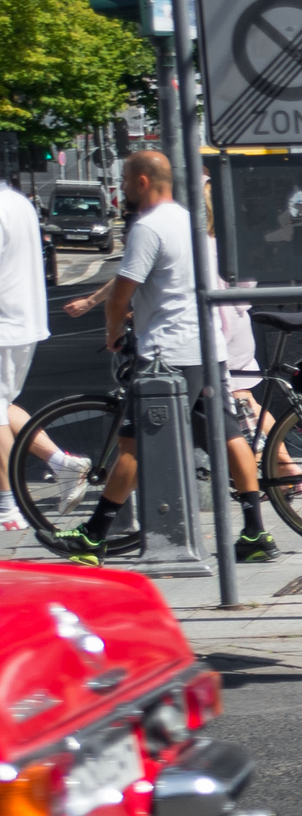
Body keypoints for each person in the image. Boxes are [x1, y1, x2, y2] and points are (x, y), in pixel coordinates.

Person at [53, 152, 271, 565]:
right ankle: (256, 531)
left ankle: (93, 537)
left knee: (134, 443)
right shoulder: (192, 223)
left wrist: (113, 331)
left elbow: (122, 292)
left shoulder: (148, 227)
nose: (122, 188)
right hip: (208, 349)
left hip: (166, 355)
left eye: (124, 180)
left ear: (140, 181)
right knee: (228, 436)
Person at [0, 171, 86, 533]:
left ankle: (8, 508)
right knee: (3, 404)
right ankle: (61, 463)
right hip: (23, 320)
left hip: (3, 322)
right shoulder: (18, 203)